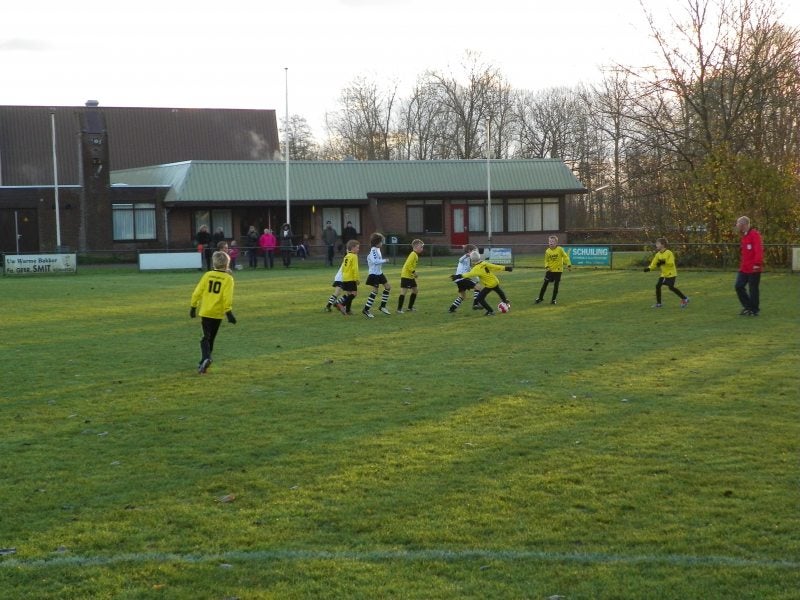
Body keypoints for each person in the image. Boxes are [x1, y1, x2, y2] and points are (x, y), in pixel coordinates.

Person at [189, 250, 236, 374]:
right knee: (212, 338)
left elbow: (197, 292)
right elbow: (227, 297)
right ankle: (203, 362)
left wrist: (193, 307)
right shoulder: (228, 279)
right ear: (227, 264)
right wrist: (229, 312)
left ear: (214, 263)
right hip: (218, 313)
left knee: (205, 337)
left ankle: (206, 358)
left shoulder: (207, 275)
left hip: (206, 311)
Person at [452, 250, 512, 316]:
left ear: (472, 260)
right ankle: (505, 300)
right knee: (498, 290)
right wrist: (506, 268)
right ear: (479, 257)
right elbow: (495, 266)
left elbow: (468, 274)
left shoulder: (476, 268)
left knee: (480, 299)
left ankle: (490, 311)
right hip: (495, 281)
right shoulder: (484, 263)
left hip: (489, 285)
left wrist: (458, 276)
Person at [643, 237, 689, 308]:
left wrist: (662, 262)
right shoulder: (658, 254)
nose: (656, 245)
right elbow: (654, 263)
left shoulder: (669, 253)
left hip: (671, 274)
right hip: (664, 274)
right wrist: (649, 268)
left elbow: (671, 263)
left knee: (671, 287)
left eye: (658, 244)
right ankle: (659, 304)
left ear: (663, 245)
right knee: (658, 286)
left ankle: (685, 298)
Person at [735, 215, 763, 316]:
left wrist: (757, 264)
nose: (737, 226)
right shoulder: (744, 236)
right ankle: (748, 306)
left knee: (753, 289)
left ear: (744, 224)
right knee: (738, 286)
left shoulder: (754, 234)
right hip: (744, 268)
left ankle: (754, 310)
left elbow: (758, 250)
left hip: (754, 268)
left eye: (738, 224)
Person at [535, 235, 572, 305]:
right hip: (550, 270)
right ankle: (540, 298)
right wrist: (547, 267)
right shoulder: (547, 251)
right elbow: (546, 260)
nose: (551, 242)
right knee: (545, 284)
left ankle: (553, 300)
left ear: (556, 243)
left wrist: (569, 265)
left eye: (552, 241)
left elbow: (565, 257)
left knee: (556, 285)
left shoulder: (560, 249)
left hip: (558, 271)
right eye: (550, 241)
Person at [362, 232, 392, 318]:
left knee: (388, 287)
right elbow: (375, 261)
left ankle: (382, 307)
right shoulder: (374, 250)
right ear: (376, 242)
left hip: (379, 273)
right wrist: (385, 260)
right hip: (374, 274)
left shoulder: (377, 249)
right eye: (381, 241)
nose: (382, 243)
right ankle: (366, 309)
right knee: (375, 291)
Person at [448, 243, 480, 313]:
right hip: (462, 279)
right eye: (474, 251)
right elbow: (460, 260)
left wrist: (476, 277)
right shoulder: (465, 258)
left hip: (458, 280)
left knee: (463, 296)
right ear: (469, 251)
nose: (476, 252)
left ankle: (451, 309)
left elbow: (468, 270)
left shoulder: (468, 260)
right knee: (477, 287)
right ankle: (476, 304)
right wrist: (466, 255)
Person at [396, 239, 424, 313]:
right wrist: (414, 272)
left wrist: (413, 274)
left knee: (415, 290)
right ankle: (399, 309)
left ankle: (410, 308)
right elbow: (408, 265)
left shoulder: (415, 255)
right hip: (406, 276)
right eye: (421, 247)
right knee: (403, 292)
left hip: (410, 276)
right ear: (416, 247)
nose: (422, 249)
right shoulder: (413, 254)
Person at [338, 239, 361, 315]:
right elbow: (355, 268)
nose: (358, 249)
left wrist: (344, 277)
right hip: (351, 278)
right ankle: (342, 305)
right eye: (357, 248)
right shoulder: (354, 256)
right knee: (354, 294)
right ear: (352, 248)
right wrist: (356, 279)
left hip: (345, 278)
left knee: (349, 294)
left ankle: (348, 310)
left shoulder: (347, 256)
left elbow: (343, 267)